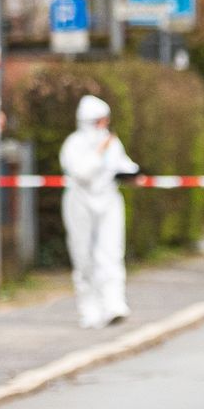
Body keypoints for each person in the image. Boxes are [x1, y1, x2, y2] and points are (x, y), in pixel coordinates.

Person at [59, 94, 137, 329]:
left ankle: (114, 304)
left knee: (111, 252)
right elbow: (80, 172)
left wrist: (133, 173)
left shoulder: (113, 143)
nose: (105, 125)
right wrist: (99, 153)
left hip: (109, 200)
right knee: (83, 256)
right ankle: (89, 310)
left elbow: (124, 165)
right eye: (101, 120)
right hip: (80, 202)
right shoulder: (74, 144)